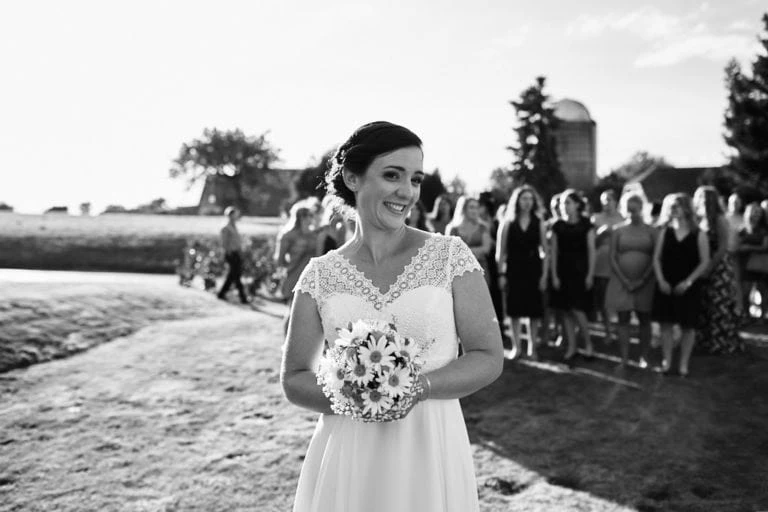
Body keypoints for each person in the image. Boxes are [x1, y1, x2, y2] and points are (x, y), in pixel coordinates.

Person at [281, 121, 503, 512]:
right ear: (352, 178)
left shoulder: (449, 257)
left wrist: (420, 387)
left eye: (415, 179)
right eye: (392, 175)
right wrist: (355, 397)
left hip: (430, 442)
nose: (407, 191)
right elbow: (295, 377)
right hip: (349, 449)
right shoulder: (320, 275)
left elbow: (488, 356)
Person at [652, 193, 710, 376]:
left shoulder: (699, 234)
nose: (674, 209)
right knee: (666, 325)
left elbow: (704, 262)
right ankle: (667, 361)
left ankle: (683, 364)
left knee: (688, 326)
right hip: (666, 284)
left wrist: (688, 282)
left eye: (677, 205)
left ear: (686, 208)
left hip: (689, 286)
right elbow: (656, 259)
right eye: (671, 206)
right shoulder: (665, 232)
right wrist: (661, 280)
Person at [496, 185, 548, 359]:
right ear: (517, 201)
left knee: (534, 311)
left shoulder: (539, 222)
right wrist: (501, 274)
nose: (527, 202)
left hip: (534, 269)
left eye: (530, 199)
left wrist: (544, 275)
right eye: (524, 198)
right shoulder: (507, 223)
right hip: (513, 270)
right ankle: (516, 347)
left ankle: (532, 347)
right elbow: (500, 253)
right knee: (514, 311)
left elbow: (545, 251)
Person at [605, 193, 656, 367]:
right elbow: (612, 257)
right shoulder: (618, 230)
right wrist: (624, 280)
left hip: (645, 281)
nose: (632, 214)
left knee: (644, 318)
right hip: (622, 281)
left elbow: (655, 257)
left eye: (635, 210)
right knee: (623, 318)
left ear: (642, 209)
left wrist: (643, 278)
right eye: (628, 210)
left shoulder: (651, 231)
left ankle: (644, 356)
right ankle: (624, 357)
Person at [693, 186, 744, 354]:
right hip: (703, 265)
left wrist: (709, 267)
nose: (704, 201)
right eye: (701, 198)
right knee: (705, 305)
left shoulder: (720, 219)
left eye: (707, 198)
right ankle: (705, 341)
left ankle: (722, 342)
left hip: (719, 267)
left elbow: (722, 247)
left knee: (719, 306)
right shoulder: (700, 220)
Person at [550, 189, 596, 360]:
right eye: (562, 203)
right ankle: (572, 347)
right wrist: (554, 275)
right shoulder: (557, 226)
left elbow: (592, 251)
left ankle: (589, 344)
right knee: (566, 311)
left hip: (580, 273)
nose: (564, 206)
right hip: (563, 272)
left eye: (568, 202)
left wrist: (590, 274)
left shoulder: (586, 224)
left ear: (577, 204)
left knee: (578, 310)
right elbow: (554, 252)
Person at [275, 202, 318, 331]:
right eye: (310, 215)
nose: (312, 218)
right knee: (292, 311)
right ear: (302, 217)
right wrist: (291, 267)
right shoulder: (288, 235)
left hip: (312, 277)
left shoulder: (314, 234)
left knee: (308, 314)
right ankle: (286, 340)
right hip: (294, 276)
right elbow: (280, 260)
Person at [592, 190, 625, 344]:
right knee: (603, 300)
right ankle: (608, 331)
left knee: (619, 300)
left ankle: (621, 329)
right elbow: (591, 243)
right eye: (603, 201)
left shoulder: (623, 218)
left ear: (615, 201)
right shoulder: (596, 219)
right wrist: (601, 233)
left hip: (619, 264)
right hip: (600, 264)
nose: (606, 203)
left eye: (609, 200)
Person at [446, 196, 493, 278]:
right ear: (463, 209)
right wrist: (476, 251)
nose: (475, 211)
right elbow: (450, 251)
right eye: (471, 207)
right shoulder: (453, 228)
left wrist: (463, 251)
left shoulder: (483, 227)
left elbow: (486, 249)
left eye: (477, 208)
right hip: (459, 271)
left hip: (480, 269)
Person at [737, 202, 768, 314]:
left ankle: (762, 317)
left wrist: (749, 247)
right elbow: (738, 246)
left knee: (763, 292)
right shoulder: (742, 229)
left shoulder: (764, 229)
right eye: (754, 212)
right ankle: (746, 315)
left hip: (762, 265)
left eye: (759, 212)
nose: (756, 215)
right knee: (745, 292)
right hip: (745, 264)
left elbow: (765, 246)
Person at [217, 207, 249, 304]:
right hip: (231, 254)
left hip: (236, 253)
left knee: (232, 276)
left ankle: (221, 293)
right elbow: (224, 243)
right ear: (230, 215)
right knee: (236, 275)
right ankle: (243, 297)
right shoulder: (226, 228)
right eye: (235, 214)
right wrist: (228, 253)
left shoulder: (234, 226)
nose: (237, 216)